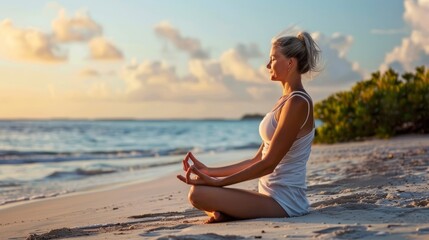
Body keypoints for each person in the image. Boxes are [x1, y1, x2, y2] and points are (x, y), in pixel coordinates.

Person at [177, 31, 321, 223]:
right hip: (268, 197)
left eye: (272, 59)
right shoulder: (284, 101)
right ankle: (226, 214)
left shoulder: (297, 103)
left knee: (198, 194)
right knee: (199, 192)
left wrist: (218, 183)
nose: (268, 65)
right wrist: (209, 171)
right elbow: (257, 160)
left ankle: (226, 213)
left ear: (290, 63)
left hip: (285, 203)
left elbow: (268, 164)